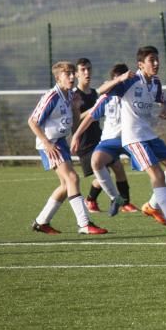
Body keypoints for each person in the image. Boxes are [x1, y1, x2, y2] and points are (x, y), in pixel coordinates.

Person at [97, 46, 166, 235]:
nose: (156, 63)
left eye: (157, 59)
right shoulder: (131, 81)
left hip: (148, 134)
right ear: (141, 64)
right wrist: (118, 79)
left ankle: (151, 206)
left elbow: (162, 100)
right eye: (152, 60)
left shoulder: (156, 83)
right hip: (134, 138)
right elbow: (99, 91)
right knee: (157, 175)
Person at [29, 61, 107, 235]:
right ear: (58, 78)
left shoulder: (70, 96)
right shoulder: (52, 96)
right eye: (67, 74)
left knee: (66, 185)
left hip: (61, 142)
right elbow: (32, 122)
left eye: (73, 73)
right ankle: (84, 224)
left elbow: (74, 122)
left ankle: (41, 222)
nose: (72, 77)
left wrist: (75, 113)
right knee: (72, 178)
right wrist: (47, 143)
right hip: (50, 143)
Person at [70, 63, 138, 217]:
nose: (87, 72)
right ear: (76, 74)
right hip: (85, 142)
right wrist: (93, 110)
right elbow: (76, 120)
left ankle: (124, 202)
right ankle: (92, 200)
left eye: (89, 69)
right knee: (103, 170)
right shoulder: (74, 95)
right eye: (83, 69)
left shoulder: (94, 93)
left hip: (100, 138)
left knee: (118, 168)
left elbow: (104, 95)